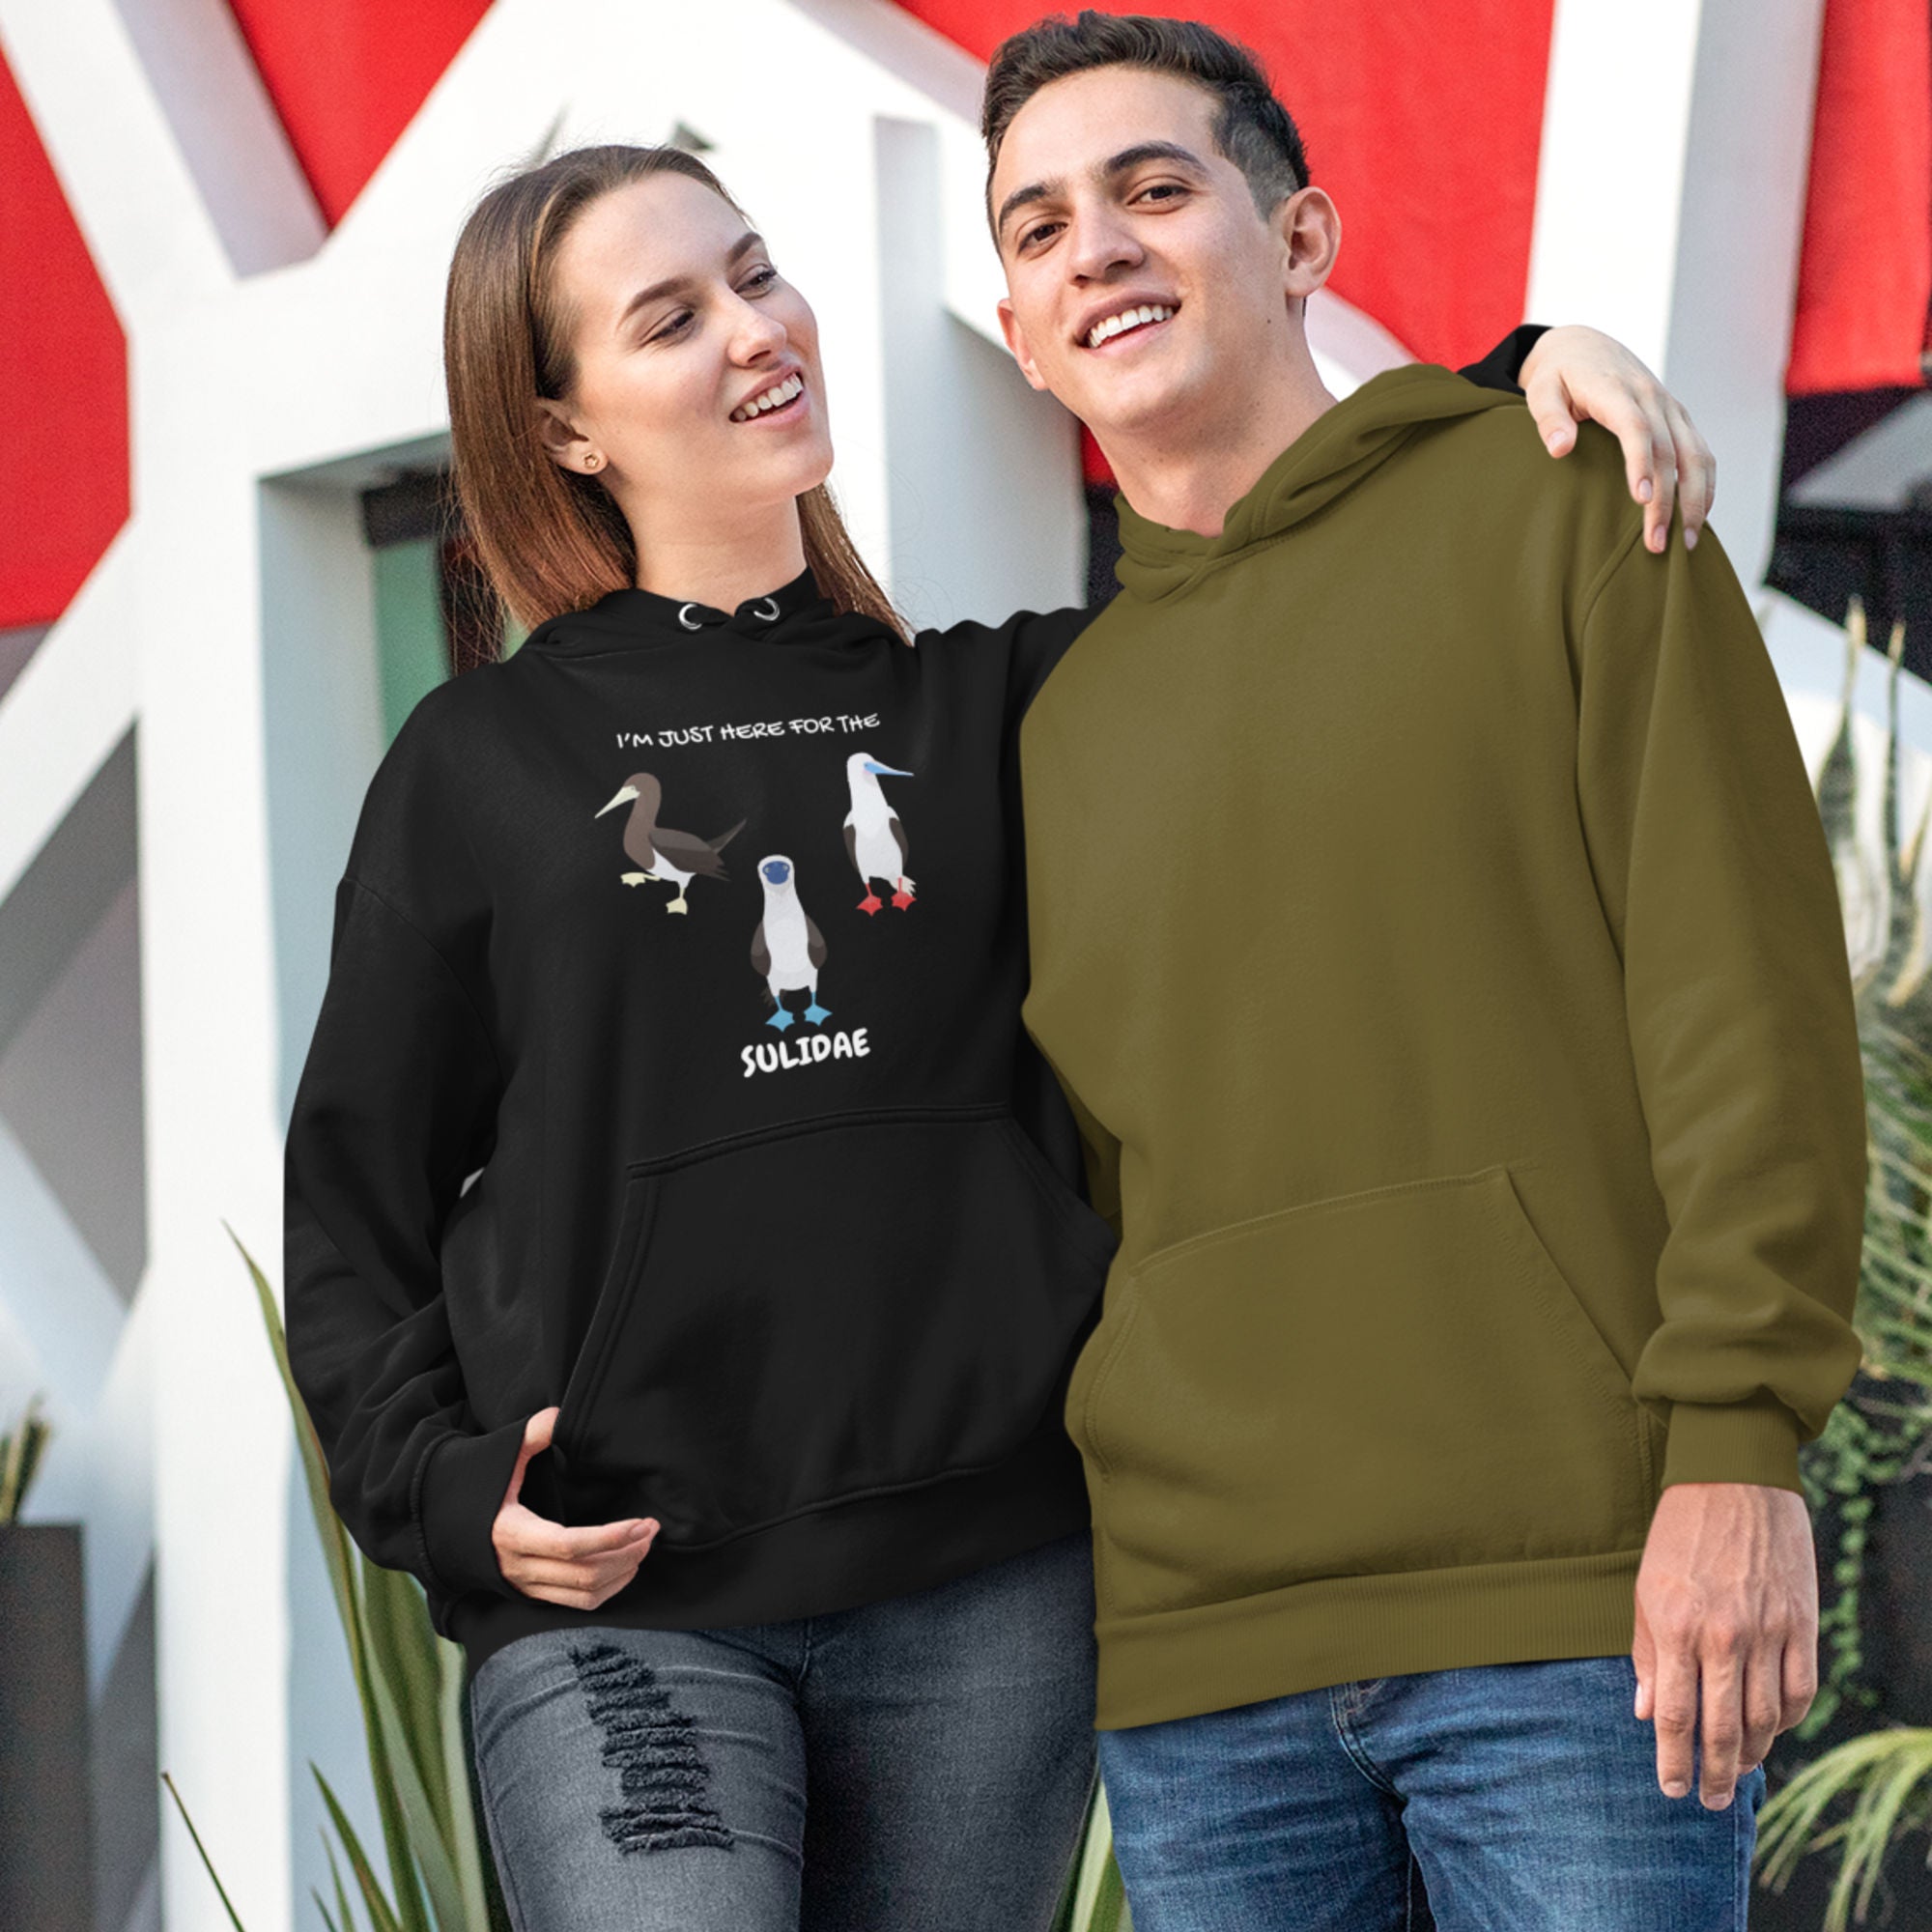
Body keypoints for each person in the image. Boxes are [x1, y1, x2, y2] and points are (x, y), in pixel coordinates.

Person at [282, 135, 1716, 1932]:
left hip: (990, 1595)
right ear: (566, 427)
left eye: (753, 269)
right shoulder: (475, 767)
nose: (755, 327)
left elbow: (1270, 570)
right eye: (670, 318)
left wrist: (1511, 390)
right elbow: (354, 1196)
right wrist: (433, 1481)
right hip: (626, 1596)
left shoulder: (1009, 702)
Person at [983, 14, 1867, 1931]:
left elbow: (1743, 1005)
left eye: (1154, 189)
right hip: (1194, 1666)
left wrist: (1736, 1449)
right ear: (1021, 326)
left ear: (1298, 240)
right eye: (1039, 227)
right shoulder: (1036, 726)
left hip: (1571, 1608)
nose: (1098, 249)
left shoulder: (1569, 507)